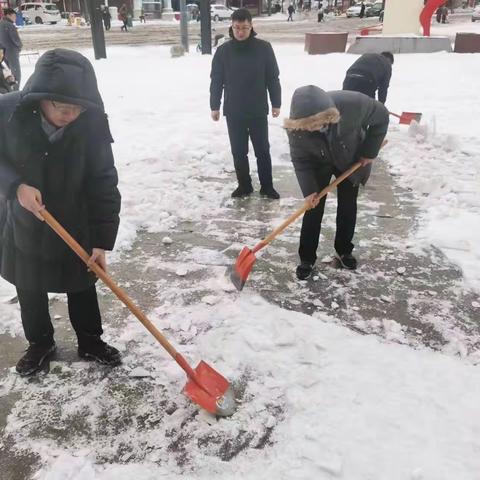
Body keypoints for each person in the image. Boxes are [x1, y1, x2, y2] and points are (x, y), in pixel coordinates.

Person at [0, 49, 122, 376]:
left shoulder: (91, 122)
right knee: (29, 285)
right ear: (41, 98)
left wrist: (101, 240)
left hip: (74, 218)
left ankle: (91, 341)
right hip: (26, 218)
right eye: (62, 107)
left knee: (81, 283)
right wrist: (15, 186)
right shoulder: (9, 111)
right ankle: (40, 343)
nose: (70, 115)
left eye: (76, 108)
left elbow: (104, 180)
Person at [284, 86, 389, 280]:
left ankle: (344, 250)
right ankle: (306, 258)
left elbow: (382, 116)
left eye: (319, 122)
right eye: (309, 125)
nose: (315, 128)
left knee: (348, 205)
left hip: (351, 157)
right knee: (313, 207)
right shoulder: (296, 128)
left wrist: (369, 151)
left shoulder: (354, 104)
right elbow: (300, 161)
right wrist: (309, 191)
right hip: (318, 161)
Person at [210, 8, 282, 199]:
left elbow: (273, 78)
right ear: (231, 27)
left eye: (244, 28)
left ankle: (267, 186)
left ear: (251, 27)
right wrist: (214, 105)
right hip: (234, 111)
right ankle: (244, 185)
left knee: (262, 151)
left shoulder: (264, 48)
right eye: (236, 28)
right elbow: (216, 80)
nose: (240, 32)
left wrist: (276, 103)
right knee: (239, 152)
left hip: (258, 110)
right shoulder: (223, 51)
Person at [0, 8, 22, 89]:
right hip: (12, 52)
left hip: (3, 52)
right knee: (16, 73)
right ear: (8, 15)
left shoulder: (1, 23)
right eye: (14, 16)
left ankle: (7, 88)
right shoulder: (10, 25)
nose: (15, 18)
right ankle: (16, 90)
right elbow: (16, 40)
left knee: (6, 72)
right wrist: (19, 47)